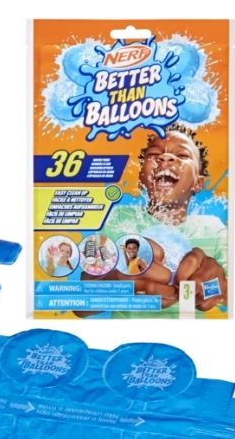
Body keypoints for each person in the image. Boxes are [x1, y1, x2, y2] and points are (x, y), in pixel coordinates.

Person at [78, 124, 227, 315]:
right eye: (154, 154)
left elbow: (234, 293)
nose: (165, 157)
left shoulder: (212, 228)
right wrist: (118, 280)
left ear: (198, 183)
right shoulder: (120, 218)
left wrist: (214, 288)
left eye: (182, 155)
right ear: (141, 178)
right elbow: (80, 305)